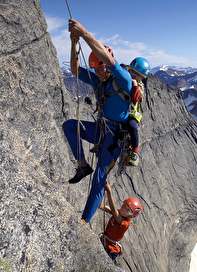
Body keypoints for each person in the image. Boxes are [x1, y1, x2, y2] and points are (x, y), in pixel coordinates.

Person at [62, 19, 133, 223]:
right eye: (95, 69)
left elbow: (108, 60)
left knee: (99, 180)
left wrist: (84, 33)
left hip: (115, 140)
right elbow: (75, 70)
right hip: (102, 131)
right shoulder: (98, 81)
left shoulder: (123, 80)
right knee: (69, 126)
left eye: (101, 68)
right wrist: (74, 43)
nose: (99, 72)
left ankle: (84, 221)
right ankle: (82, 164)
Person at [99, 182, 142, 260]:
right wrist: (103, 191)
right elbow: (101, 206)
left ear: (131, 215)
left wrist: (109, 191)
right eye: (125, 206)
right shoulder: (118, 213)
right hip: (105, 242)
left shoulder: (125, 223)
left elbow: (113, 209)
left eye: (128, 210)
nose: (124, 209)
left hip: (111, 250)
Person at [125, 57, 151, 166]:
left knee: (132, 126)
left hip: (132, 114)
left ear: (142, 78)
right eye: (132, 72)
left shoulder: (140, 86)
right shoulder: (123, 79)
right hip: (123, 110)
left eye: (138, 75)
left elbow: (136, 98)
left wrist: (134, 84)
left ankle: (135, 151)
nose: (133, 75)